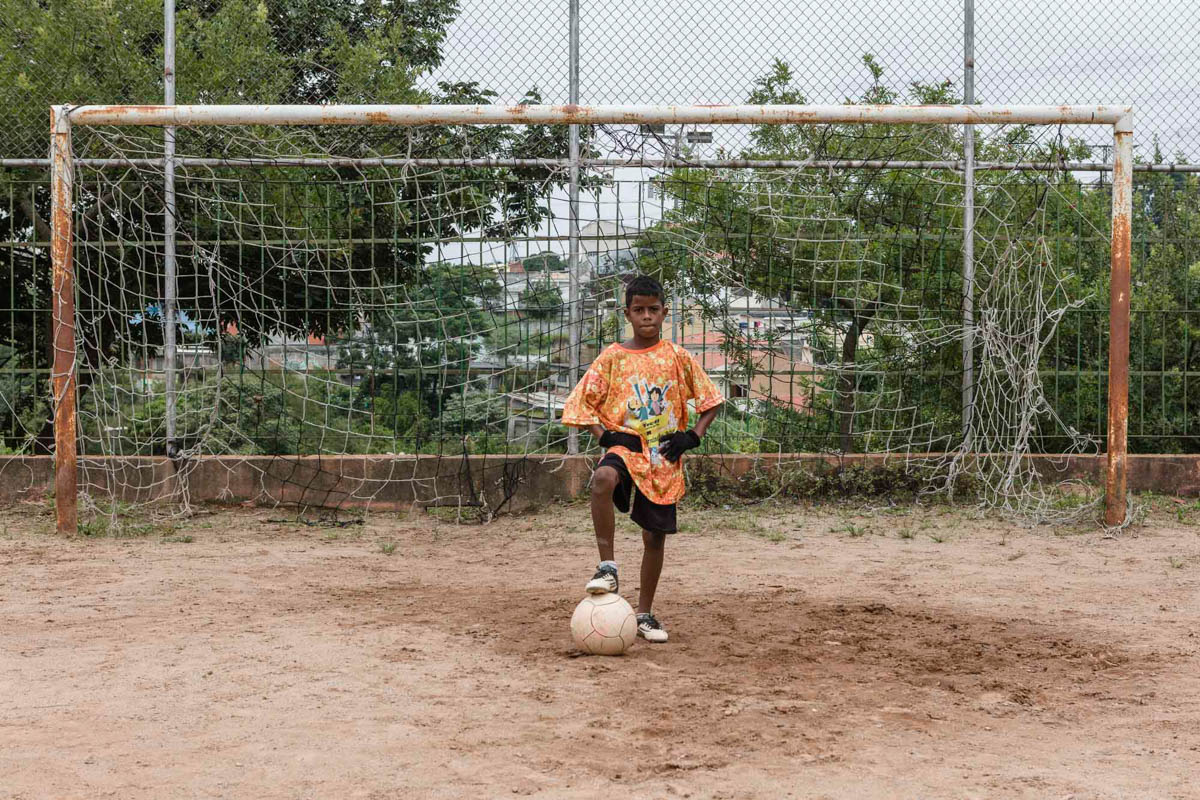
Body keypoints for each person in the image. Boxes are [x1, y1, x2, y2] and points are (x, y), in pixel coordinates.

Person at [562, 275, 724, 643]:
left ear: (664, 312)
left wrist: (692, 436)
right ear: (628, 314)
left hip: (663, 456)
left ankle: (645, 613)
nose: (646, 316)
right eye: (639, 310)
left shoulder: (678, 357)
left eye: (653, 309)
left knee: (654, 538)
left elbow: (712, 401)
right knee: (602, 480)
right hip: (626, 448)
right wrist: (606, 436)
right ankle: (607, 567)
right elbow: (580, 402)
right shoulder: (613, 357)